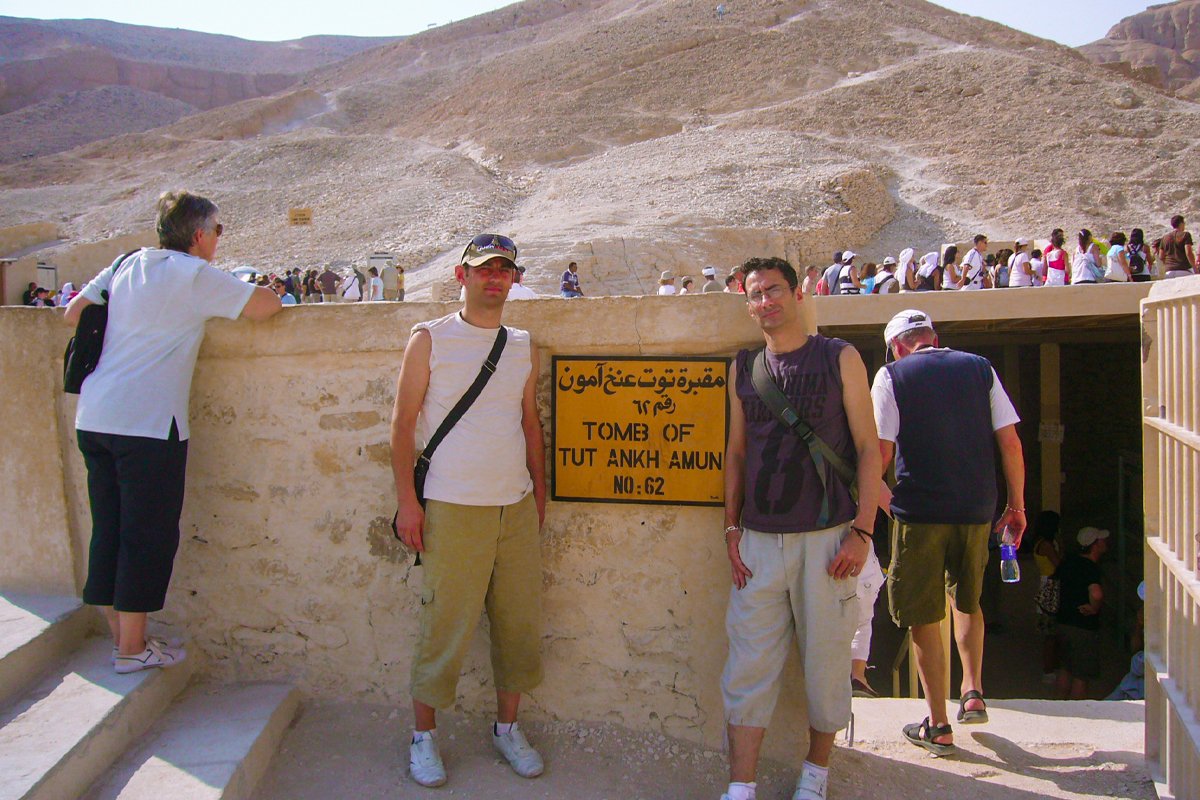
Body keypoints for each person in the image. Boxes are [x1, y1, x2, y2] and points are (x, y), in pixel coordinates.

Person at [63, 190, 281, 674]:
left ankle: (122, 638)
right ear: (199, 235)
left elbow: (73, 312)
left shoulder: (126, 263)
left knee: (109, 528)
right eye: (218, 230)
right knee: (147, 535)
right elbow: (265, 306)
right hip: (148, 424)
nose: (218, 239)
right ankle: (131, 650)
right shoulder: (193, 275)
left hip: (95, 415)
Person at [719, 256, 880, 800]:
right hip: (759, 541)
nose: (766, 301)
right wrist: (731, 530)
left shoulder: (839, 357)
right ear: (748, 305)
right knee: (748, 666)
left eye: (774, 290)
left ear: (798, 293)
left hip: (829, 537)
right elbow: (736, 453)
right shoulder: (745, 368)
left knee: (827, 664)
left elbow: (868, 448)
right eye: (756, 294)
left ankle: (816, 774)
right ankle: (741, 786)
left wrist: (863, 532)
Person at [390, 233, 547, 788]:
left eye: (504, 269)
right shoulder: (430, 339)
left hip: (514, 506)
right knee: (445, 625)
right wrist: (408, 503)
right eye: (484, 268)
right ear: (462, 275)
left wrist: (539, 494)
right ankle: (423, 737)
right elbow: (402, 425)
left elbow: (529, 422)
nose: (494, 277)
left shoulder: (521, 344)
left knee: (517, 623)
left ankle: (508, 728)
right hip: (453, 506)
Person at [871, 309, 1025, 757]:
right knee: (968, 599)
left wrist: (882, 505)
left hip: (919, 513)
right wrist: (1015, 506)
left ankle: (938, 724)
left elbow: (881, 453)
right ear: (933, 338)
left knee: (922, 615)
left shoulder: (891, 375)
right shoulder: (980, 368)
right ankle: (973, 691)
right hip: (977, 509)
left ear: (896, 347)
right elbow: (1011, 442)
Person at [1054, 527, 1109, 699]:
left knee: (1065, 668)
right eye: (1101, 540)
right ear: (1094, 545)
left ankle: (1059, 705)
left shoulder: (1068, 562)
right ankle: (1077, 710)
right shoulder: (1091, 568)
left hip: (1062, 621)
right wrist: (1095, 608)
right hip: (1083, 626)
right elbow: (1096, 594)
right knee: (1081, 675)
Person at [1031, 510, 1063, 682]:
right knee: (1050, 633)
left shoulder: (1040, 542)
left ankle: (1051, 666)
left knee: (1051, 633)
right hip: (1051, 586)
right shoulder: (1047, 545)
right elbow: (1059, 564)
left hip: (1047, 583)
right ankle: (1048, 670)